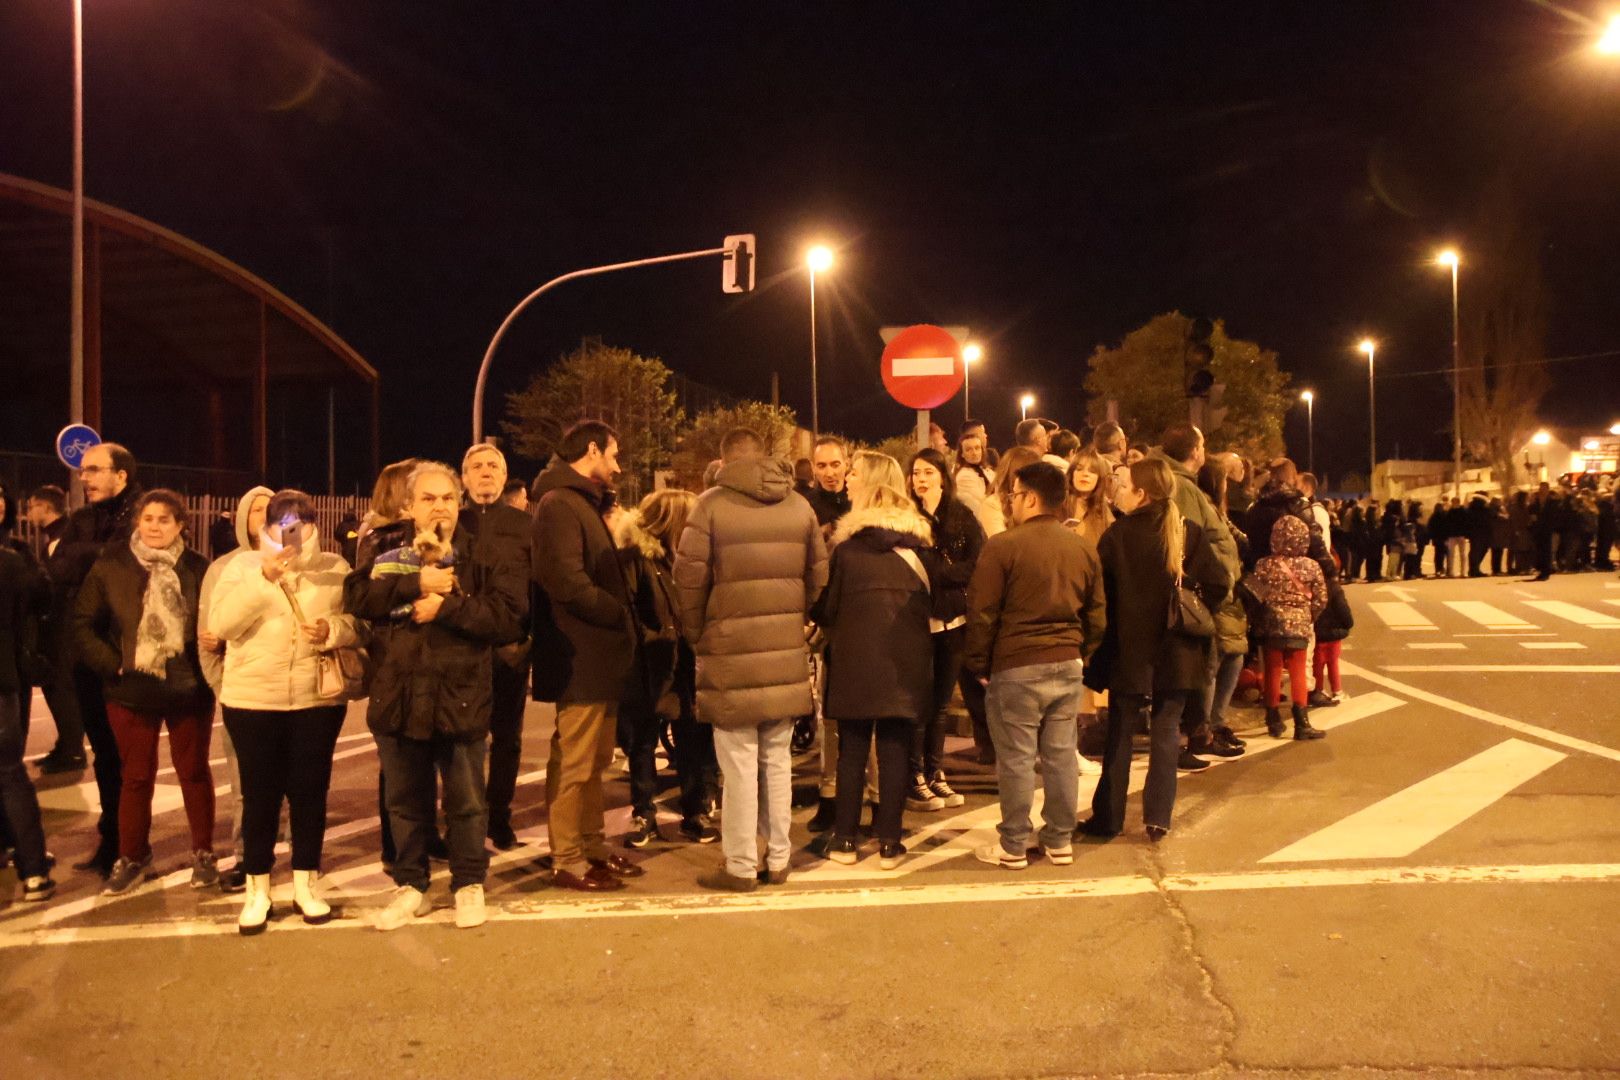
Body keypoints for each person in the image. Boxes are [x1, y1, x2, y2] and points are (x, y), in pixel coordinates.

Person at [347, 461, 527, 930]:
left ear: (459, 502)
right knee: (405, 800)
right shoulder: (387, 549)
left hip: (461, 693)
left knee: (467, 799)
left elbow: (508, 616)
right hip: (398, 692)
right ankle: (412, 884)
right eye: (428, 498)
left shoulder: (483, 552)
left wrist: (448, 608)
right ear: (409, 506)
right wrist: (413, 584)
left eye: (447, 498)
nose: (439, 507)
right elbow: (357, 597)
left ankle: (468, 881)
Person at [673, 427, 828, 891]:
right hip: (783, 653)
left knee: (738, 763)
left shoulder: (711, 506)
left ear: (724, 460)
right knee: (777, 760)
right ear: (765, 457)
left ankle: (740, 864)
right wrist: (795, 619)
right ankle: (778, 858)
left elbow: (687, 581)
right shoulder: (799, 506)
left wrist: (700, 635)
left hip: (730, 653)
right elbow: (818, 577)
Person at [209, 489, 359, 935]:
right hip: (253, 699)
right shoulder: (241, 566)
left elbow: (356, 622)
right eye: (281, 521)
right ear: (266, 527)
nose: (292, 529)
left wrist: (333, 629)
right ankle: (257, 891)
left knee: (310, 794)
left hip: (316, 699)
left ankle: (305, 886)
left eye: (301, 521)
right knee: (259, 797)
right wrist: (264, 578)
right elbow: (221, 625)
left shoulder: (335, 567)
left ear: (313, 524)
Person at [72, 488, 218, 894]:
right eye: (148, 518)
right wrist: (111, 662)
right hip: (130, 688)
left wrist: (212, 645)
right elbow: (82, 623)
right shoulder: (112, 564)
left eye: (164, 519)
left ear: (181, 525)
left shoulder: (197, 568)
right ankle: (133, 854)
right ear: (137, 522)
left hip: (188, 686)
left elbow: (215, 619)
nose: (155, 526)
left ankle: (203, 853)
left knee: (193, 772)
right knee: (135, 777)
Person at [965, 461, 1105, 868]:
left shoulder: (1003, 546)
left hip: (1017, 663)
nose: (1011, 502)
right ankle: (1060, 839)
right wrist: (1080, 649)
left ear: (1029, 497)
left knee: (1017, 758)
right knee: (1061, 754)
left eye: (1014, 495)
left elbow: (983, 612)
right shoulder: (1081, 547)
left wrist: (978, 662)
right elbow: (1097, 615)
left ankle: (1013, 844)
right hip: (1066, 662)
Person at [1082, 459, 1230, 842]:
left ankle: (1109, 819)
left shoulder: (1117, 537)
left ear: (1142, 493)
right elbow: (1219, 583)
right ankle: (1158, 818)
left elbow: (1100, 597)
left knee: (1120, 735)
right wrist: (1192, 609)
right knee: (1166, 732)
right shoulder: (1187, 533)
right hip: (1177, 649)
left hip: (1128, 649)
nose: (1117, 488)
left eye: (1124, 484)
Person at [531, 422, 644, 893]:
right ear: (591, 450)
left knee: (595, 761)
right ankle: (568, 857)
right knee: (575, 763)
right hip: (578, 655)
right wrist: (617, 612)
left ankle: (593, 846)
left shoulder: (581, 503)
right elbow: (567, 582)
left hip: (599, 656)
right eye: (613, 454)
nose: (617, 465)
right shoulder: (560, 504)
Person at [814, 451, 934, 870]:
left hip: (853, 661)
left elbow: (826, 609)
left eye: (853, 475)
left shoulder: (845, 552)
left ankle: (845, 839)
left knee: (852, 749)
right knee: (896, 749)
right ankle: (889, 842)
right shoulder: (919, 547)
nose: (846, 480)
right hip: (906, 660)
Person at [48, 442, 143, 877]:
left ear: (120, 475)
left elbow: (129, 561)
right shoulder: (82, 519)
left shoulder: (143, 512)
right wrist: (99, 554)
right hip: (87, 653)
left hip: (129, 653)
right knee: (104, 753)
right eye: (83, 471)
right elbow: (59, 567)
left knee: (132, 754)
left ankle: (134, 842)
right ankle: (113, 840)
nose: (83, 478)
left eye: (93, 470)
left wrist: (91, 554)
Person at [613, 488, 719, 847]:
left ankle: (696, 811)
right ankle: (643, 812)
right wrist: (656, 635)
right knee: (643, 741)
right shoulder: (634, 559)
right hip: (649, 663)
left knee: (693, 735)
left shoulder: (689, 561)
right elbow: (625, 611)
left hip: (687, 661)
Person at [197, 484, 274, 893]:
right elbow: (208, 636)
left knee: (295, 782)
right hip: (242, 693)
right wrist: (221, 687)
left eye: (271, 509)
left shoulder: (301, 563)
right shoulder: (223, 568)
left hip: (289, 691)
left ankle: (297, 853)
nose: (263, 516)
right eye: (256, 509)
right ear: (242, 518)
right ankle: (247, 856)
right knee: (245, 782)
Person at [459, 444, 534, 853]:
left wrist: (529, 642)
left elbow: (540, 588)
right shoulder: (453, 525)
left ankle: (499, 818)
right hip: (463, 653)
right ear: (464, 479)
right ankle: (466, 821)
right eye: (476, 467)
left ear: (504, 478)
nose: (485, 472)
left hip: (510, 653)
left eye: (493, 466)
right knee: (464, 741)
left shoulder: (526, 526)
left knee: (508, 740)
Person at [906, 448, 984, 814]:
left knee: (940, 704)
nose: (921, 479)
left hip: (953, 621)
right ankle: (914, 776)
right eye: (916, 473)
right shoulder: (907, 517)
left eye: (928, 472)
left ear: (942, 476)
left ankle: (935, 772)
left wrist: (945, 577)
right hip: (918, 623)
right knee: (919, 704)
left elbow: (977, 562)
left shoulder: (960, 515)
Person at [5, 484, 85, 777]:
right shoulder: (57, 537)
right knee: (58, 687)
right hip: (61, 628)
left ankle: (73, 750)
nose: (29, 514)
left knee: (60, 688)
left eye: (33, 507)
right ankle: (67, 746)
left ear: (46, 508)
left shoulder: (59, 541)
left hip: (62, 630)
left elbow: (54, 586)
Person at [0, 539, 54, 901]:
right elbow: (42, 601)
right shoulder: (11, 563)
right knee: (9, 774)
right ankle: (33, 870)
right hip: (2, 680)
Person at [1249, 516, 1329, 739]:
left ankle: (1273, 718)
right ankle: (1302, 723)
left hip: (1271, 624)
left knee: (1272, 671)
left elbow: (1255, 594)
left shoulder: (1264, 565)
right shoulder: (1312, 566)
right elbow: (1321, 598)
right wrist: (1308, 616)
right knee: (1298, 672)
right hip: (1299, 625)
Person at [1191, 462, 1248, 759]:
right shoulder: (1204, 507)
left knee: (1233, 656)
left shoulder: (1218, 511)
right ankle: (1205, 730)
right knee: (1215, 661)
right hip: (1216, 592)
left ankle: (1215, 722)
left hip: (1229, 593)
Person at [1309, 556, 1353, 709]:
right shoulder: (1334, 588)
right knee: (1333, 663)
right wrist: (1348, 624)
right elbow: (1343, 610)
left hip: (1317, 633)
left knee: (1317, 664)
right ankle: (1337, 691)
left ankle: (1318, 690)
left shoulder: (1311, 586)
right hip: (1333, 634)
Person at [1063, 450, 1114, 547]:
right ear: (1072, 474)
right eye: (1079, 469)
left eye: (1092, 471)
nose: (1085, 474)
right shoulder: (1058, 504)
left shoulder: (1104, 510)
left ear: (1099, 478)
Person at [805, 435, 852, 532]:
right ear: (813, 468)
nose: (829, 473)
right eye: (821, 466)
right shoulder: (806, 507)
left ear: (847, 464)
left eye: (835, 465)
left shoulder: (862, 502)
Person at [954, 423, 997, 522]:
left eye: (977, 448)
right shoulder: (964, 476)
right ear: (962, 454)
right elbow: (983, 502)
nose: (974, 453)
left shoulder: (987, 470)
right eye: (968, 449)